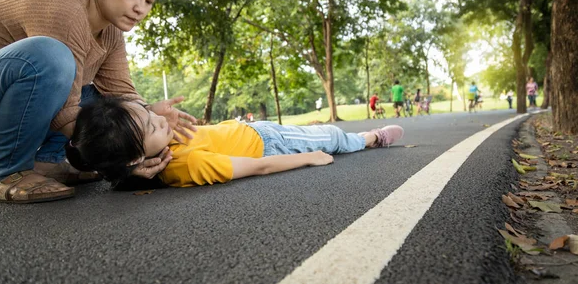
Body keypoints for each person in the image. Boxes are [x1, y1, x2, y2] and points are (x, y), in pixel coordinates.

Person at [0, 0, 197, 203]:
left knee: (102, 99)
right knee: (51, 56)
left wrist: (148, 114)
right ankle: (9, 173)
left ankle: (49, 163)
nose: (141, 9)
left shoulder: (110, 30)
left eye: (149, 1)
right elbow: (66, 110)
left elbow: (121, 94)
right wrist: (121, 160)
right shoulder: (64, 9)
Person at [66, 97, 405, 188]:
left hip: (256, 131)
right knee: (330, 138)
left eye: (147, 112)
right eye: (152, 127)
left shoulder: (159, 145)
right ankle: (372, 137)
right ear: (133, 159)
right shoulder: (186, 165)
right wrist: (309, 158)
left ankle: (358, 138)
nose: (160, 120)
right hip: (271, 143)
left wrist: (153, 121)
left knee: (327, 135)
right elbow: (258, 167)